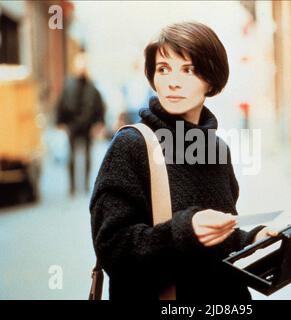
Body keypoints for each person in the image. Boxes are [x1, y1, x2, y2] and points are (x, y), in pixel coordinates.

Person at [89, 21, 278, 300]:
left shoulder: (217, 149)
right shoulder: (132, 145)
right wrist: (183, 231)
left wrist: (254, 240)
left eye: (188, 70)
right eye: (163, 69)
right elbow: (113, 249)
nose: (172, 81)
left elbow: (219, 236)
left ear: (211, 80)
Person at [55, 49, 105, 195]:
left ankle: (84, 185)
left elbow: (99, 106)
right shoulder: (68, 86)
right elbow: (61, 104)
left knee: (88, 156)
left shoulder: (92, 88)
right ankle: (72, 186)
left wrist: (98, 124)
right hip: (72, 125)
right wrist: (61, 123)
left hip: (87, 125)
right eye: (79, 64)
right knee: (71, 157)